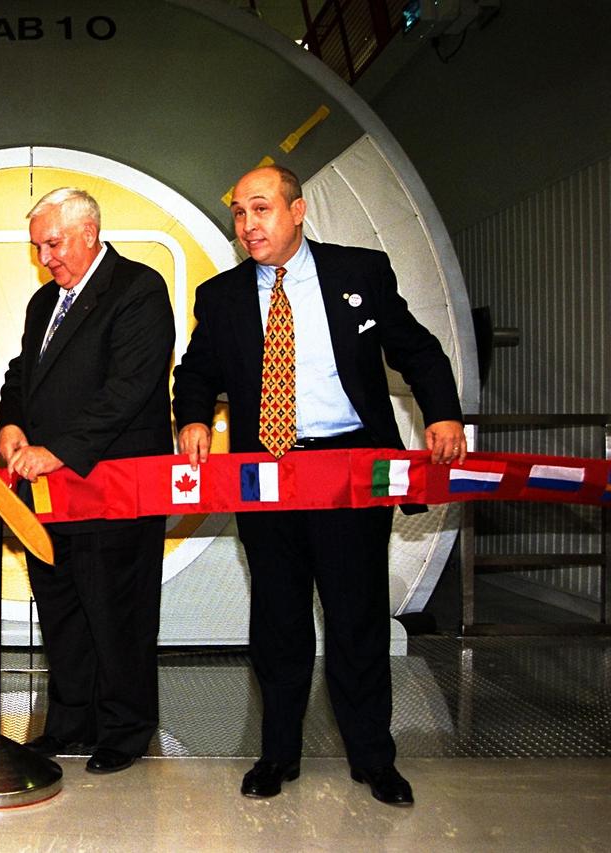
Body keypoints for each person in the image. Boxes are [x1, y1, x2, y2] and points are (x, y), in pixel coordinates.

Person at [172, 165, 466, 806]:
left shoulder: (358, 272)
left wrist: (442, 412)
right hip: (266, 479)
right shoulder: (221, 297)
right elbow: (195, 371)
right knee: (277, 622)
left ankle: (373, 759)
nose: (249, 224)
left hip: (348, 475)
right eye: (240, 213)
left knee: (356, 617)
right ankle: (278, 755)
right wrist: (193, 418)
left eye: (262, 208)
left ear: (298, 210)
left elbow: (416, 349)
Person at [0, 188, 175, 774]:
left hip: (114, 488)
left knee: (118, 613)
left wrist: (59, 452)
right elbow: (23, 374)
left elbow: (131, 388)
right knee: (63, 608)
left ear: (90, 232)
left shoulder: (138, 289)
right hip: (49, 493)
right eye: (38, 246)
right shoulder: (43, 302)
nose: (46, 257)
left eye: (53, 243)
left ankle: (124, 731)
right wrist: (11, 425)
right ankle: (71, 721)